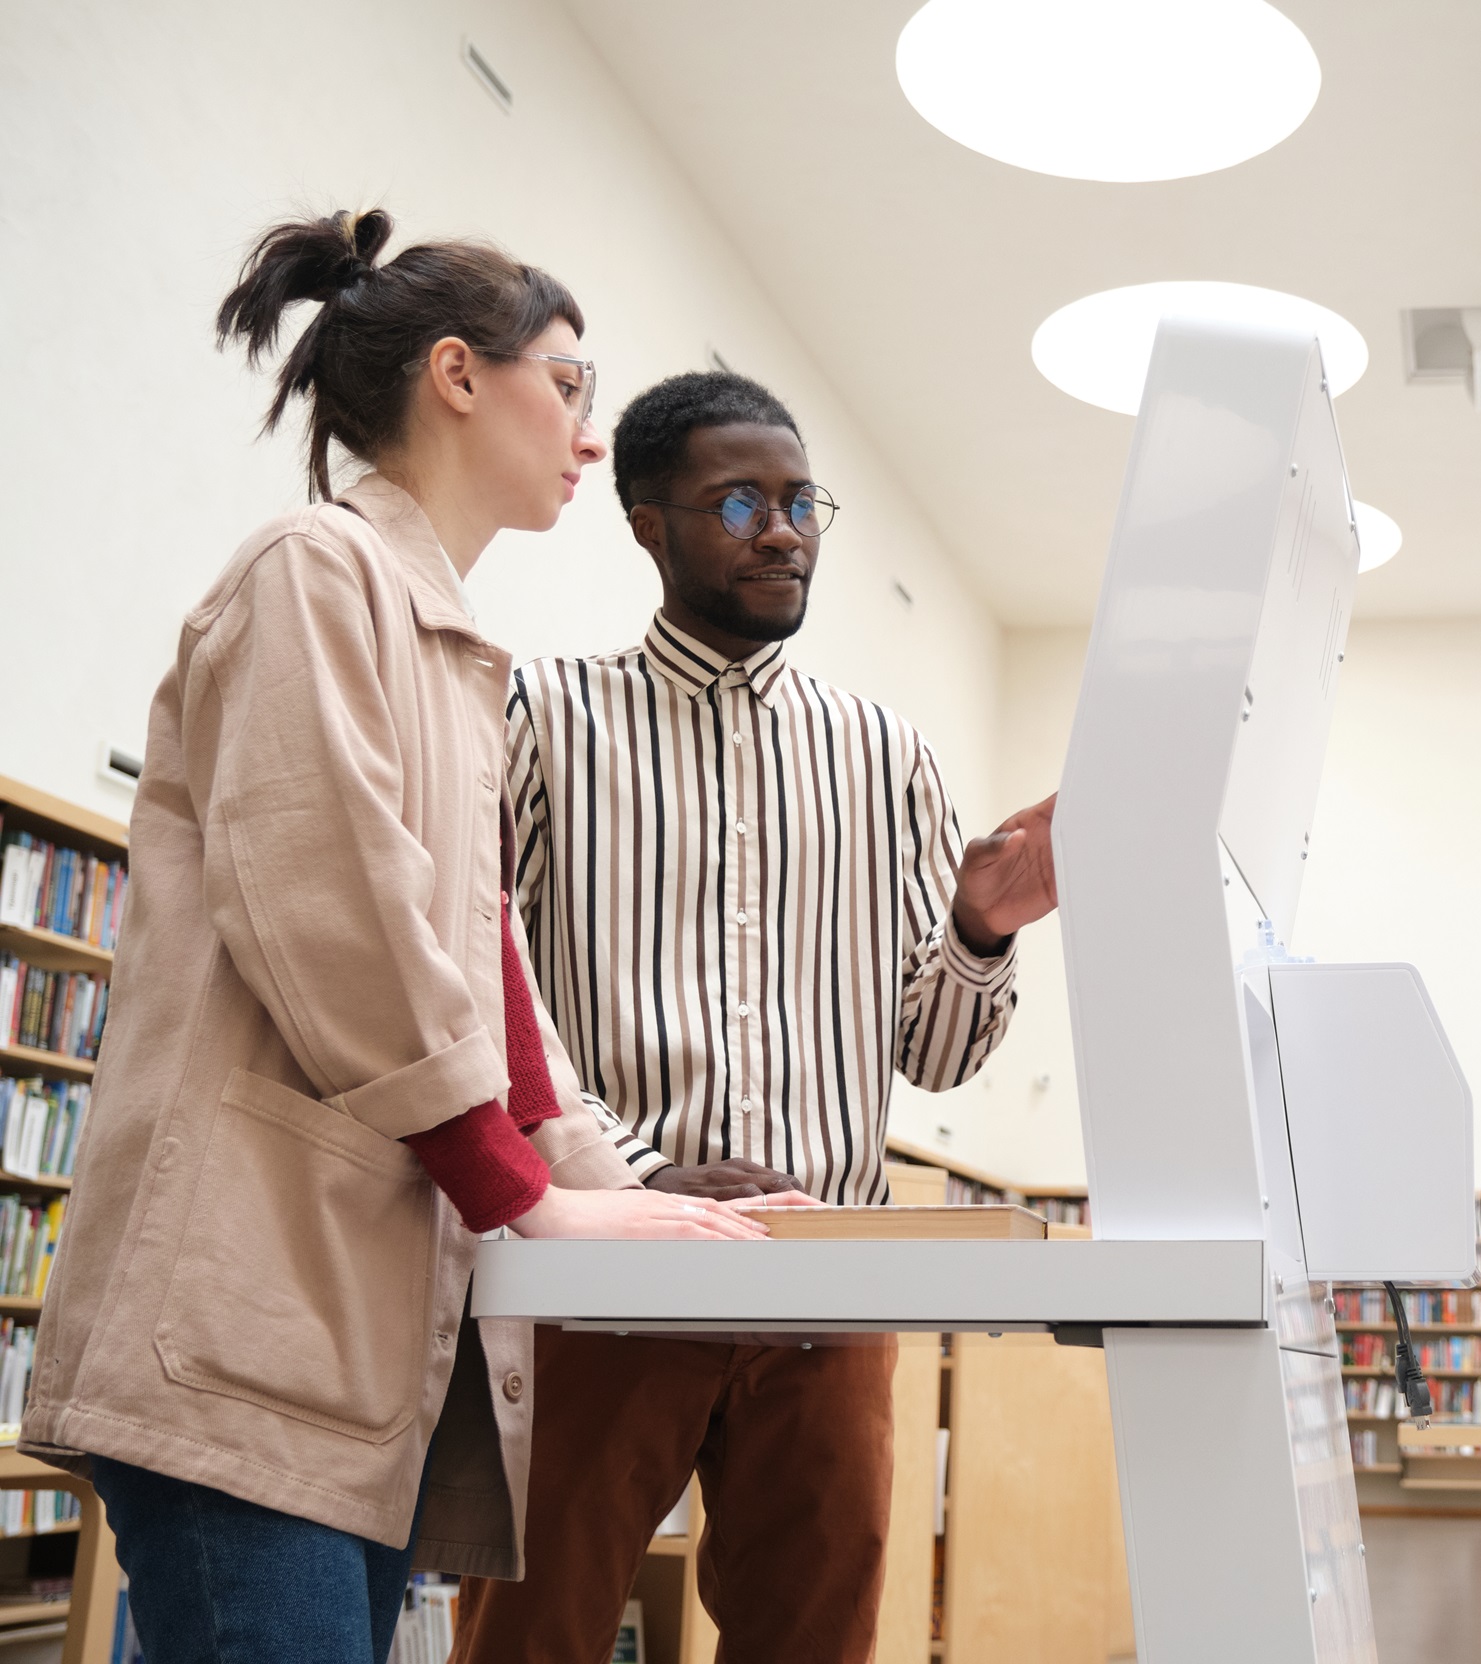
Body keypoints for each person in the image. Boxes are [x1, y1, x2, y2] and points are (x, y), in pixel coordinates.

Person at [18, 211, 772, 1664]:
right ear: (457, 374)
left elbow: (491, 978)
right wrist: (523, 1195)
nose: (590, 431)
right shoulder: (312, 568)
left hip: (340, 1350)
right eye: (570, 382)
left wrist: (627, 1201)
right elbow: (340, 921)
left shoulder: (452, 649)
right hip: (244, 1326)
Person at [450, 370, 1059, 1663]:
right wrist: (641, 1173)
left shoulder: (886, 755)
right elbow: (479, 989)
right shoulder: (538, 716)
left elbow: (934, 1053)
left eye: (800, 503)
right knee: (528, 1639)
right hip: (601, 1274)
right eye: (738, 503)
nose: (782, 532)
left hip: (826, 1293)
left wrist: (980, 927)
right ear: (648, 524)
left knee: (813, 1643)